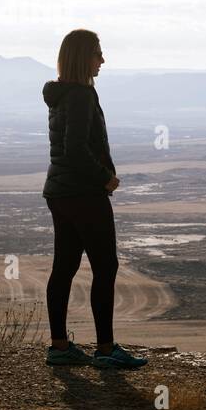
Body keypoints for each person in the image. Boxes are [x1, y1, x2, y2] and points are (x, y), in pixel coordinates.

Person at [41, 29, 147, 369]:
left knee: (64, 267)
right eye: (97, 53)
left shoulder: (61, 95)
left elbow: (67, 149)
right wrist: (105, 178)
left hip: (59, 192)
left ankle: (59, 346)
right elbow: (75, 150)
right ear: (82, 57)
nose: (102, 60)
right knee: (106, 267)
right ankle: (105, 349)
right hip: (84, 194)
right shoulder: (82, 96)